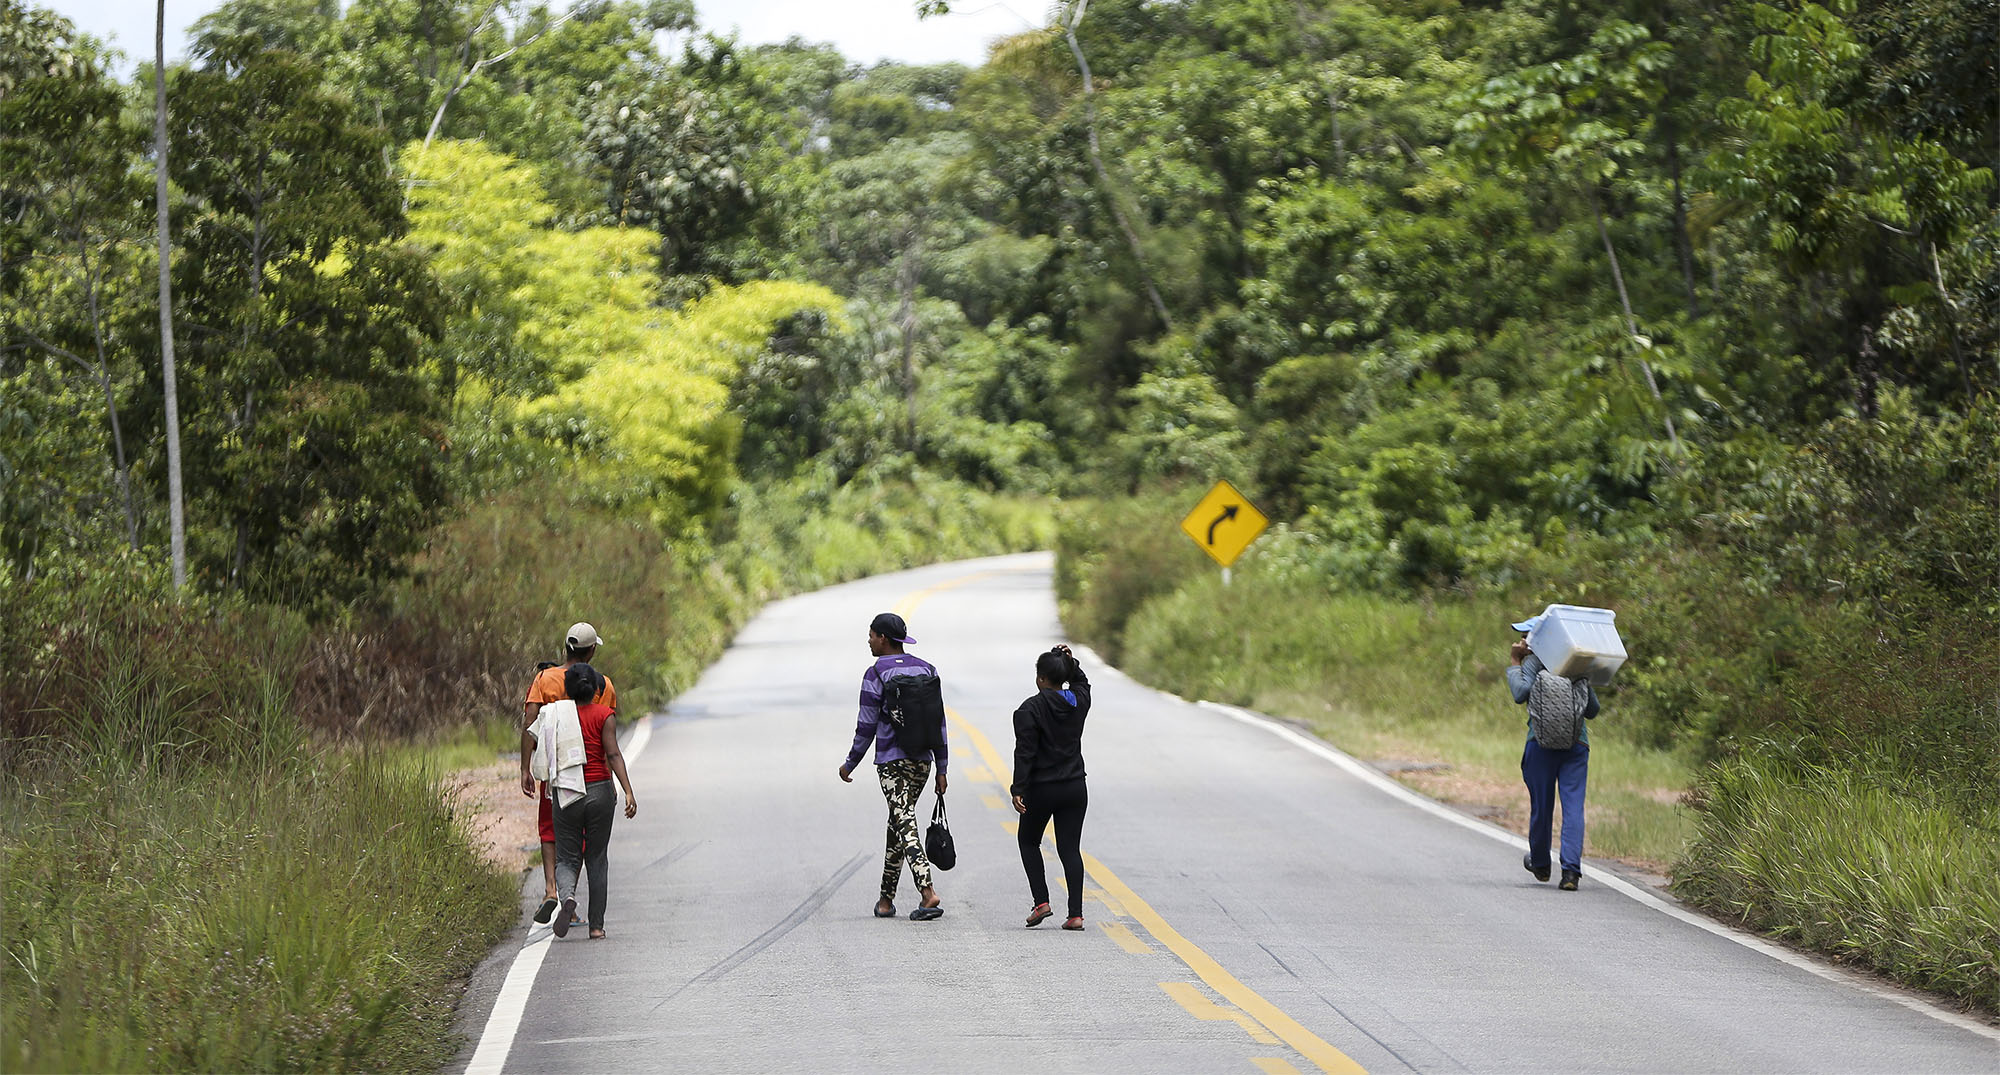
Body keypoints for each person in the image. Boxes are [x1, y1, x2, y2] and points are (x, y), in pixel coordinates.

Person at [838, 612, 948, 921]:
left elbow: (866, 725)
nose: (869, 640)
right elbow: (938, 721)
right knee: (898, 823)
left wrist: (850, 763)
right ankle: (885, 900)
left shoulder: (876, 674)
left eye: (872, 635)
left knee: (905, 822)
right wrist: (942, 767)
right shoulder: (927, 669)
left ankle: (928, 893)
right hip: (923, 763)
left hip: (891, 763)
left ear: (884, 638)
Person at [524, 662, 637, 938]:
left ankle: (567, 897)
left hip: (567, 791)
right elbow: (613, 755)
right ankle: (596, 927)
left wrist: (525, 769)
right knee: (597, 858)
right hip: (599, 790)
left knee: (567, 857)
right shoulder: (605, 715)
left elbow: (529, 732)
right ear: (596, 687)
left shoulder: (556, 715)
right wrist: (628, 791)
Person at [521, 622, 618, 924]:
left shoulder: (544, 679)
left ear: (566, 648)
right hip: (593, 775)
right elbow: (607, 733)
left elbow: (530, 723)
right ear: (591, 651)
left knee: (553, 833)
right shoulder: (602, 684)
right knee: (585, 841)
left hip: (555, 773)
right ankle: (575, 904)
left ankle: (553, 890)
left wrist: (525, 768)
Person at [1508, 614, 1600, 891]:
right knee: (1573, 807)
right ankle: (1570, 872)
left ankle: (1541, 863)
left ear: (1540, 639)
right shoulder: (1575, 664)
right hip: (1576, 745)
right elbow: (1592, 710)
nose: (1523, 640)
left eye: (1527, 636)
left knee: (1542, 806)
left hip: (1540, 743)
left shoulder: (1533, 663)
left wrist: (1515, 662)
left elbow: (1519, 693)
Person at [1011, 644, 1092, 930]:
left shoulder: (1029, 709)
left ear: (1040, 679)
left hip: (1041, 788)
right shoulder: (1078, 701)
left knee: (1029, 841)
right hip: (1074, 787)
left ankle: (1042, 902)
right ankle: (1076, 915)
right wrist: (1072, 663)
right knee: (1070, 849)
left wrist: (1018, 787)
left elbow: (1025, 752)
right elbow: (1082, 683)